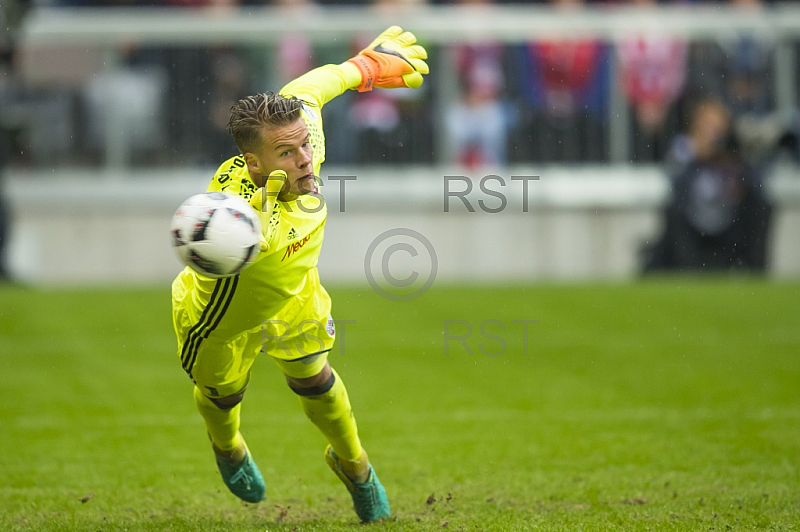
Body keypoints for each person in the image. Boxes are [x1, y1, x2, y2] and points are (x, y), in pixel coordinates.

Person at [170, 26, 428, 523]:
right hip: (219, 315)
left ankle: (356, 467)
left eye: (304, 145)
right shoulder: (237, 219)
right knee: (222, 397)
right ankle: (228, 448)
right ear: (254, 162)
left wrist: (365, 68)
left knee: (317, 380)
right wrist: (246, 229)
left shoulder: (296, 136)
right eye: (288, 154)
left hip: (295, 297)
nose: (306, 159)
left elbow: (309, 90)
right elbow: (236, 234)